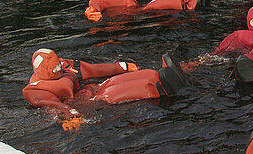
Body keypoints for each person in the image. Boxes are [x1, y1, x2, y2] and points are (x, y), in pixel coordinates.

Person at [22, 48, 194, 129]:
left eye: (59, 63)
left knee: (144, 74)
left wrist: (121, 67)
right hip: (86, 104)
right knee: (112, 93)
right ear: (44, 70)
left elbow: (92, 69)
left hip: (93, 89)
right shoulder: (34, 90)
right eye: (55, 68)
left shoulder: (64, 65)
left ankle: (160, 75)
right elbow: (50, 104)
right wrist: (68, 114)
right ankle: (159, 86)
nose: (60, 67)